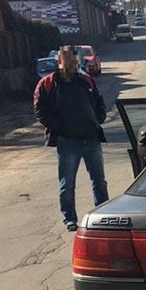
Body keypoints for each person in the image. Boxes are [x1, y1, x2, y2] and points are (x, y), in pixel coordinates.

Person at [33, 45, 109, 232]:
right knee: (67, 184)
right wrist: (58, 127)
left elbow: (99, 101)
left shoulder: (85, 80)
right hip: (67, 142)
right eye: (65, 60)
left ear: (76, 61)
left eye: (72, 60)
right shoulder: (47, 84)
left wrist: (98, 119)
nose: (69, 63)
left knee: (99, 181)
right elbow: (40, 111)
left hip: (91, 138)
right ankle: (69, 219)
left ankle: (103, 214)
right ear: (59, 61)